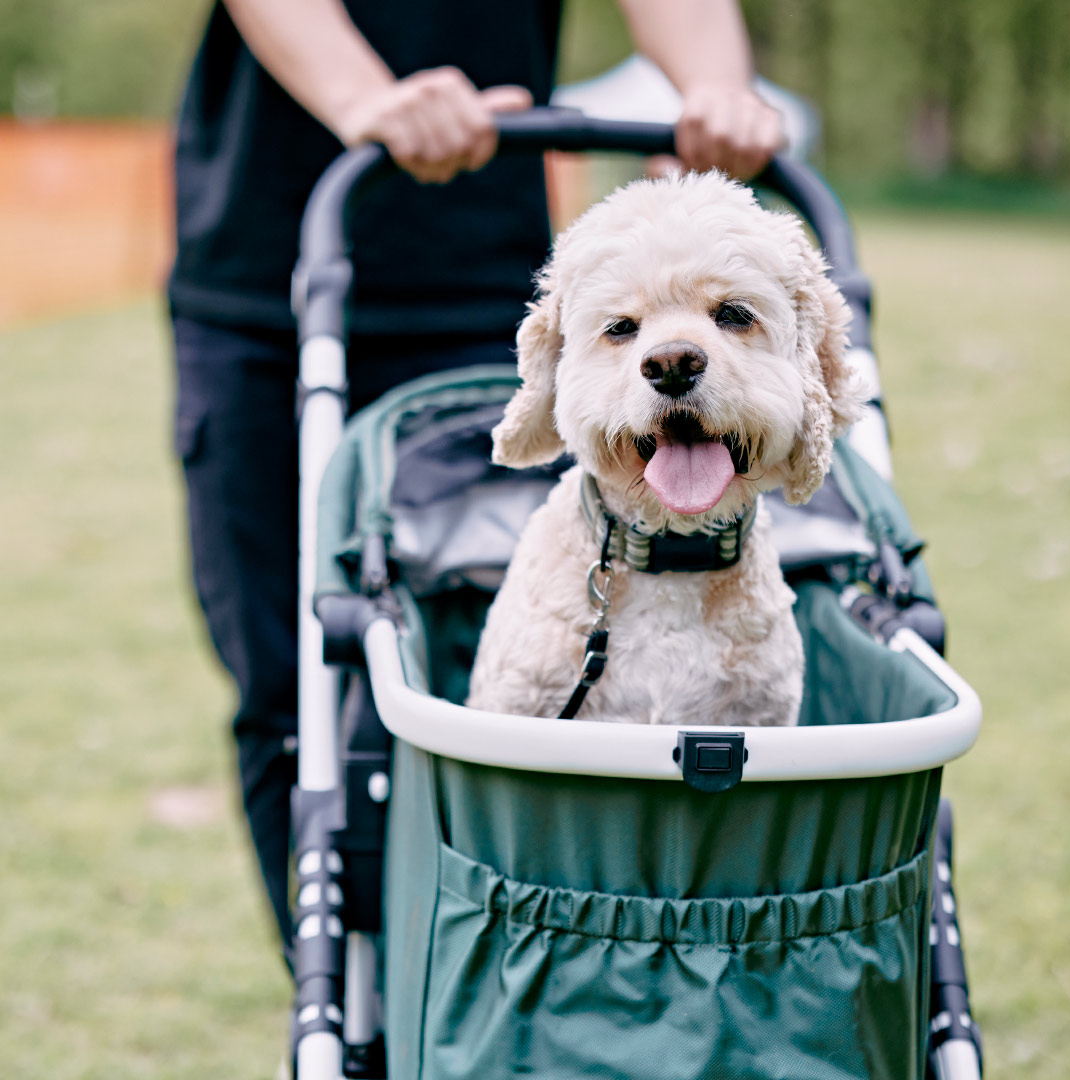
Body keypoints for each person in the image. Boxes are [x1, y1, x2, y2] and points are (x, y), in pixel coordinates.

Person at [170, 0, 785, 951]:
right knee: (294, 684)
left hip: (484, 280)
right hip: (271, 273)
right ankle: (361, 1002)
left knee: (481, 654)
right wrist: (367, 100)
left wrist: (714, 87)